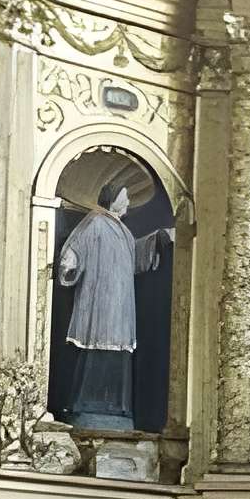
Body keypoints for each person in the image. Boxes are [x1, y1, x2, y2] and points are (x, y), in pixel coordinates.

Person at [56, 181, 174, 428]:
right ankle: (86, 406)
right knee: (95, 349)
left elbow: (133, 258)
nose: (129, 202)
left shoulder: (122, 230)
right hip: (99, 302)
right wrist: (70, 262)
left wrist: (158, 238)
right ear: (113, 198)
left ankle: (116, 409)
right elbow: (75, 248)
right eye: (125, 197)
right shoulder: (95, 222)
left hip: (120, 306)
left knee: (118, 356)